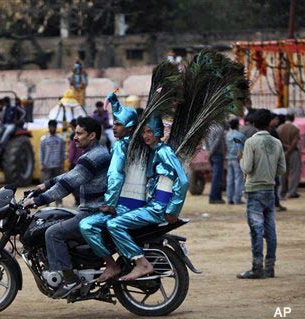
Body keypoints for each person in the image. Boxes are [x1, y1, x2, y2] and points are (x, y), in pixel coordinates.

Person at [23, 117, 110, 298]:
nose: (75, 137)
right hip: (90, 209)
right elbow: (70, 175)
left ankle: (70, 280)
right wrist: (44, 185)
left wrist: (38, 200)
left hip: (92, 212)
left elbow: (67, 185)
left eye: (79, 133)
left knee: (52, 233)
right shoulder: (96, 153)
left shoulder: (93, 157)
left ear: (92, 135)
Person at [96, 114, 189, 281]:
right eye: (144, 132)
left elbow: (182, 180)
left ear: (158, 132)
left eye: (150, 132)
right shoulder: (152, 151)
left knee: (114, 224)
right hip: (151, 205)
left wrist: (173, 210)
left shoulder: (164, 152)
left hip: (158, 208)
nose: (146, 136)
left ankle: (142, 263)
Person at [79, 92, 138, 282]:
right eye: (114, 122)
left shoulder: (121, 146)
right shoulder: (134, 144)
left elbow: (115, 176)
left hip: (124, 202)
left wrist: (110, 203)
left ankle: (111, 265)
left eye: (119, 124)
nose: (114, 126)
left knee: (86, 225)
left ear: (129, 127)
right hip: (134, 198)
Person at [237, 109, 286, 279]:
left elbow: (247, 167)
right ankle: (270, 267)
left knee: (256, 230)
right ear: (269, 123)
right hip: (270, 190)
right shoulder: (277, 143)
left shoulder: (251, 143)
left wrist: (241, 159)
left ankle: (257, 267)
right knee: (270, 230)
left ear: (254, 124)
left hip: (254, 190)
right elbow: (282, 169)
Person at [39, 120, 66, 207]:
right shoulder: (44, 139)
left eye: (54, 127)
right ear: (48, 127)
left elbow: (63, 152)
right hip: (47, 166)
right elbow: (41, 152)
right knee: (46, 186)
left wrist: (62, 163)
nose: (52, 128)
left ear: (56, 127)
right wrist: (41, 163)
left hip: (57, 166)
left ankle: (59, 203)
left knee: (58, 186)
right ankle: (46, 203)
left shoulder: (61, 139)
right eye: (51, 127)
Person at [277, 113, 301, 199]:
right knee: (294, 172)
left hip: (282, 152)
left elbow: (278, 141)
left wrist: (285, 149)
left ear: (286, 118)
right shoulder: (295, 129)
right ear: (293, 119)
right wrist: (289, 150)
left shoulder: (279, 128)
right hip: (293, 152)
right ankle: (292, 192)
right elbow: (295, 142)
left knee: (282, 173)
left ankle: (282, 191)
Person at [268, 114, 287, 212]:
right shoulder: (272, 131)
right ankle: (275, 203)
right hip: (274, 161)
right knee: (275, 183)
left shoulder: (271, 130)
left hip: (270, 161)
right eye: (276, 119)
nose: (277, 120)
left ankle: (276, 202)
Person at [225, 118, 246, 204]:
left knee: (230, 178)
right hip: (237, 159)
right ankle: (237, 198)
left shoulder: (227, 135)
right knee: (238, 179)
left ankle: (229, 198)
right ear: (238, 125)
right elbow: (245, 145)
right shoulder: (240, 135)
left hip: (229, 158)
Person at [206, 123, 225, 204]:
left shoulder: (209, 127)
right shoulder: (219, 128)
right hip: (217, 154)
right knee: (217, 177)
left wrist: (208, 152)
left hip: (211, 154)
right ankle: (214, 197)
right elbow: (217, 142)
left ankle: (217, 197)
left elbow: (206, 142)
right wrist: (211, 152)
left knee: (216, 176)